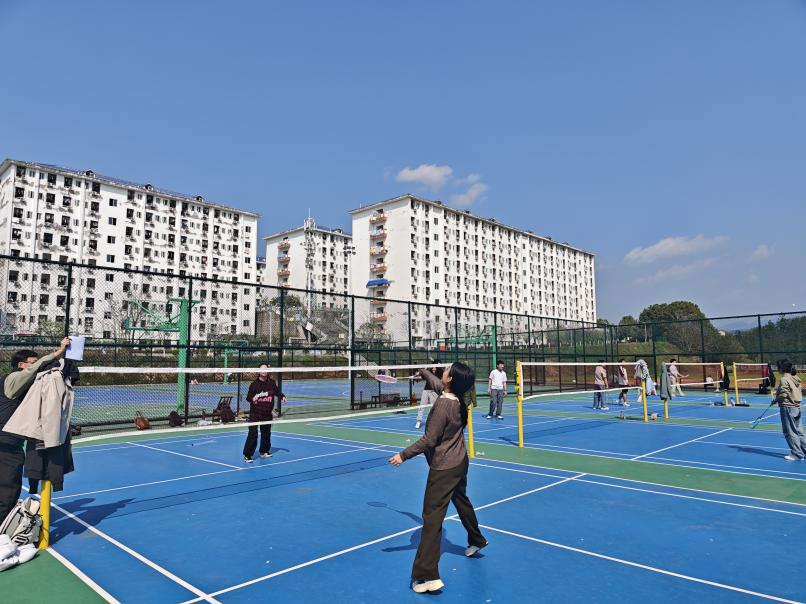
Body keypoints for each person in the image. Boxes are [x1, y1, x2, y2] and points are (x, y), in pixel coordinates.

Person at [388, 362, 487, 594]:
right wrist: (422, 371)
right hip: (460, 462)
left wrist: (403, 455)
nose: (444, 371)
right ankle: (477, 539)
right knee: (461, 500)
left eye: (447, 370)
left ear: (450, 378)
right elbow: (436, 383)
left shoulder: (443, 405)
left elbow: (429, 440)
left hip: (444, 469)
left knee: (432, 520)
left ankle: (427, 576)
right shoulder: (458, 397)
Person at [0, 338, 70, 522]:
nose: (37, 366)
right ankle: (3, 531)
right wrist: (58, 352)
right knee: (8, 491)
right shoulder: (13, 379)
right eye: (32, 362)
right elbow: (34, 370)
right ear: (21, 365)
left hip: (8, 444)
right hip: (6, 445)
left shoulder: (28, 385)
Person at [242, 364, 286, 463]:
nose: (264, 370)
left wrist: (282, 396)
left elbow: (277, 392)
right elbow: (248, 398)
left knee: (266, 433)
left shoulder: (271, 383)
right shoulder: (254, 384)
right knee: (253, 434)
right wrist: (253, 398)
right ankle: (247, 455)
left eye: (266, 369)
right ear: (258, 371)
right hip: (255, 413)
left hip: (267, 413)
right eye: (262, 369)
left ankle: (264, 451)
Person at [774, 359, 805, 461]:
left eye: (778, 367)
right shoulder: (795, 377)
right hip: (796, 407)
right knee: (799, 431)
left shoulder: (784, 379)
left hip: (788, 408)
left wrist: (776, 399)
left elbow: (784, 394)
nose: (777, 368)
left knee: (790, 432)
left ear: (782, 368)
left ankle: (797, 454)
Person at [414, 360, 443, 430]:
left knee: (433, 407)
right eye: (433, 367)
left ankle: (432, 422)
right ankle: (418, 421)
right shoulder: (429, 371)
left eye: (436, 367)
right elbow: (422, 375)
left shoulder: (440, 372)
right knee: (422, 405)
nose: (434, 368)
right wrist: (418, 374)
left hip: (434, 392)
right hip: (426, 390)